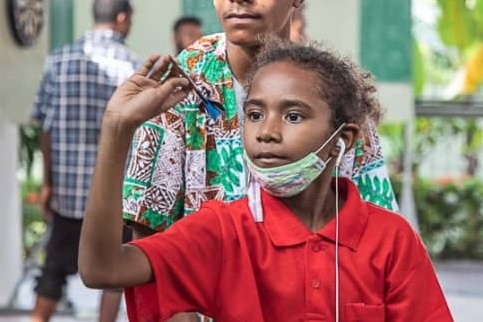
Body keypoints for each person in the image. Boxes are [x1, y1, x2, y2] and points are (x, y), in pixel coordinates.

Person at [79, 39, 453, 322]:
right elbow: (103, 269)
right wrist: (117, 129)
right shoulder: (223, 230)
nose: (266, 133)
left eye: (293, 116)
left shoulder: (391, 239)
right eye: (255, 114)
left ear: (343, 138)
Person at [121, 0, 398, 321]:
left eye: (293, 116)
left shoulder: (333, 92)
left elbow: (377, 234)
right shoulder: (179, 86)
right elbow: (148, 230)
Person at [30, 0, 140, 321]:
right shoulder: (132, 66)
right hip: (112, 199)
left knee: (52, 270)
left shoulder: (59, 61)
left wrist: (48, 183)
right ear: (122, 19)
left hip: (67, 193)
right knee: (114, 273)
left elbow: (44, 127)